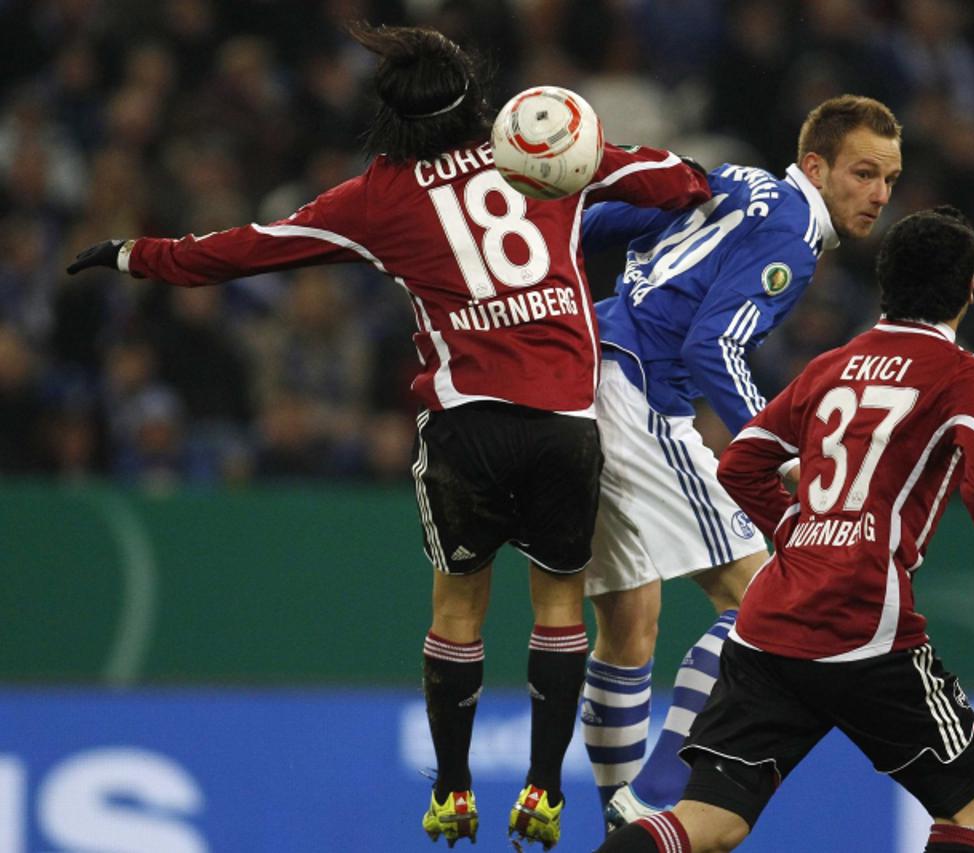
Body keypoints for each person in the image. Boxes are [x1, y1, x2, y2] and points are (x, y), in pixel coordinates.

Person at [64, 23, 711, 850]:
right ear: (474, 97)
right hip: (563, 420)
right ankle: (546, 791)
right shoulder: (541, 148)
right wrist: (696, 178)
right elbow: (665, 178)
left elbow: (244, 250)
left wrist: (133, 254)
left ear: (390, 120)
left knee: (457, 606)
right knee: (557, 606)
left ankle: (451, 789)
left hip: (466, 424)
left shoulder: (375, 198)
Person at [594, 206, 974, 853]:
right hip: (863, 621)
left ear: (885, 286)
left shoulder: (831, 367)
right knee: (971, 808)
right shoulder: (964, 377)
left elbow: (743, 461)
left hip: (772, 620)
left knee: (709, 822)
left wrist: (801, 533)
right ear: (971, 290)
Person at [574, 94, 904, 827]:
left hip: (586, 367)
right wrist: (777, 452)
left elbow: (593, 223)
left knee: (631, 617)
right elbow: (711, 346)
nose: (879, 194)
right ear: (814, 166)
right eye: (863, 173)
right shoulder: (791, 229)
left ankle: (620, 826)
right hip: (638, 391)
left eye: (889, 179)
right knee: (768, 596)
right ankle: (657, 796)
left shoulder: (733, 180)